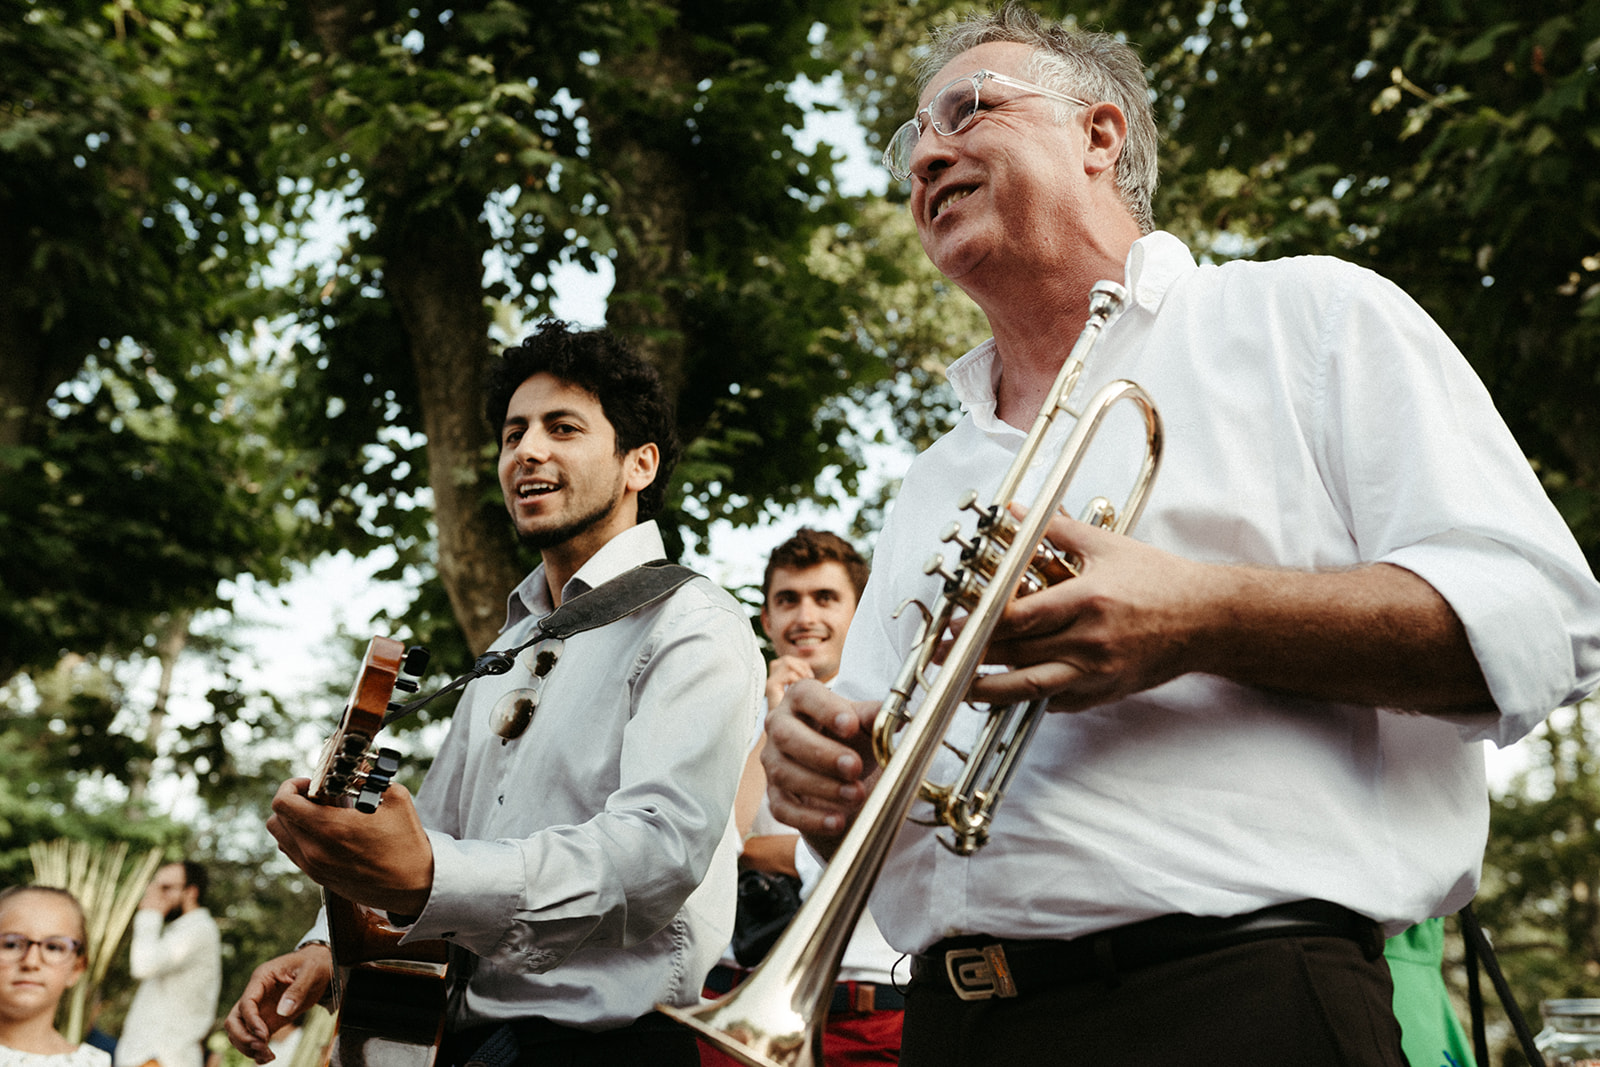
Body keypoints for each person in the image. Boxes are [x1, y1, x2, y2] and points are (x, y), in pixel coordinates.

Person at [760, 5, 1600, 1066]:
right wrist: (824, 787)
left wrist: (1206, 613)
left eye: (967, 109)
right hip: (958, 1024)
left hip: (1242, 1003)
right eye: (912, 139)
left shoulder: (1307, 317)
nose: (927, 151)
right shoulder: (928, 482)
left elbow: (1543, 620)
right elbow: (893, 814)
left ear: (1099, 137)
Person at [224, 320, 763, 1066]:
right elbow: (438, 827)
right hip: (466, 1037)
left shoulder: (692, 620)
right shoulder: (510, 645)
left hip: (610, 1048)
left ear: (638, 463)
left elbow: (658, 853)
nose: (527, 450)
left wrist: (429, 875)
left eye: (562, 427)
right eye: (513, 434)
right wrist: (325, 945)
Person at [700, 529, 903, 1066]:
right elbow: (713, 848)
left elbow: (860, 861)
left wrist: (765, 851)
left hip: (860, 1011)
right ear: (766, 620)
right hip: (733, 997)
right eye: (787, 600)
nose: (805, 617)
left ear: (858, 613)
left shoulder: (887, 713)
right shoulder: (730, 717)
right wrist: (773, 720)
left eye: (825, 598)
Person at [116, 862, 221, 1067]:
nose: (155, 896)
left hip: (162, 1057)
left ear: (191, 892)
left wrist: (149, 915)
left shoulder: (199, 930)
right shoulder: (181, 931)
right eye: (154, 887)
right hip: (149, 1057)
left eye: (166, 888)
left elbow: (143, 965)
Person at [0, 885, 110, 1067]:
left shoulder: (90, 1063)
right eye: (11, 944)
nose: (31, 962)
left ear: (76, 968)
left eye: (54, 947)